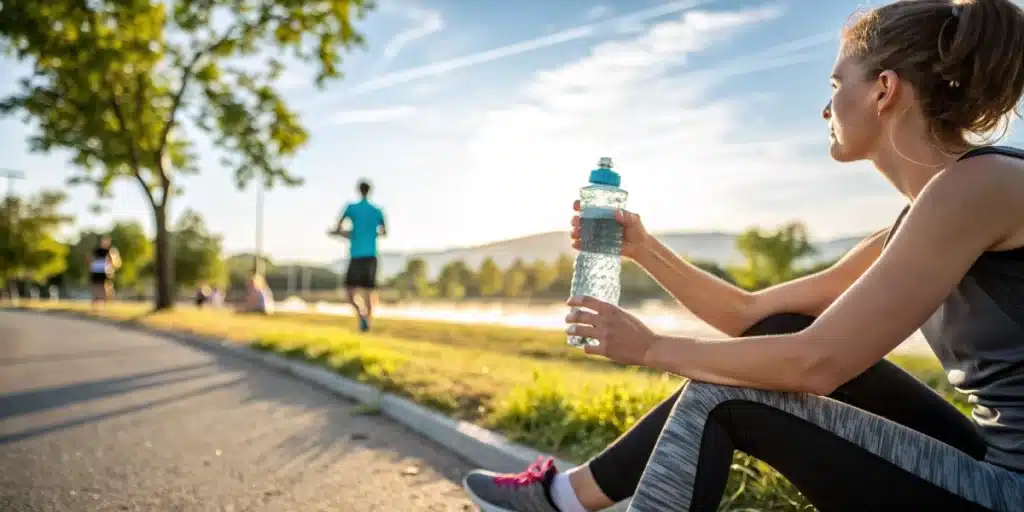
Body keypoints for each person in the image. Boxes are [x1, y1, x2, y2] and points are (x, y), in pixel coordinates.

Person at [462, 0, 1024, 510]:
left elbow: (817, 363)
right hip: (993, 460)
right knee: (778, 327)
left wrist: (652, 347)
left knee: (721, 398)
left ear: (883, 90)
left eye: (835, 82)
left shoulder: (977, 187)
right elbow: (751, 317)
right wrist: (642, 248)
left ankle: (564, 498)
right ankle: (566, 497)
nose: (825, 107)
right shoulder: (927, 215)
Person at [332, 179, 387, 332]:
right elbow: (384, 232)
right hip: (371, 255)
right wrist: (370, 234)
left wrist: (350, 235)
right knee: (369, 292)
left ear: (358, 190)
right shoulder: (377, 211)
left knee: (350, 292)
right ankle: (367, 322)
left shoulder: (351, 208)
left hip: (356, 255)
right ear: (370, 191)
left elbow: (338, 229)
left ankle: (362, 316)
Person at [87, 235, 120, 307]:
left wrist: (110, 269)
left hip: (104, 271)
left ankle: (104, 302)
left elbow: (112, 261)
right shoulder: (96, 250)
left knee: (105, 286)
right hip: (96, 271)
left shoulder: (109, 250)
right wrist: (90, 266)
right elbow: (90, 258)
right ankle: (95, 302)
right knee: (96, 286)